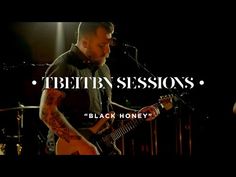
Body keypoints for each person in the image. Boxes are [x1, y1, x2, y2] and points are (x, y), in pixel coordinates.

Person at [39, 22, 159, 155]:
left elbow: (107, 106)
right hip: (71, 150)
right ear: (85, 42)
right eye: (101, 45)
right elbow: (47, 111)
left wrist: (136, 114)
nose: (108, 50)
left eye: (109, 43)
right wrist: (83, 145)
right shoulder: (64, 66)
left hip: (103, 146)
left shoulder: (103, 69)